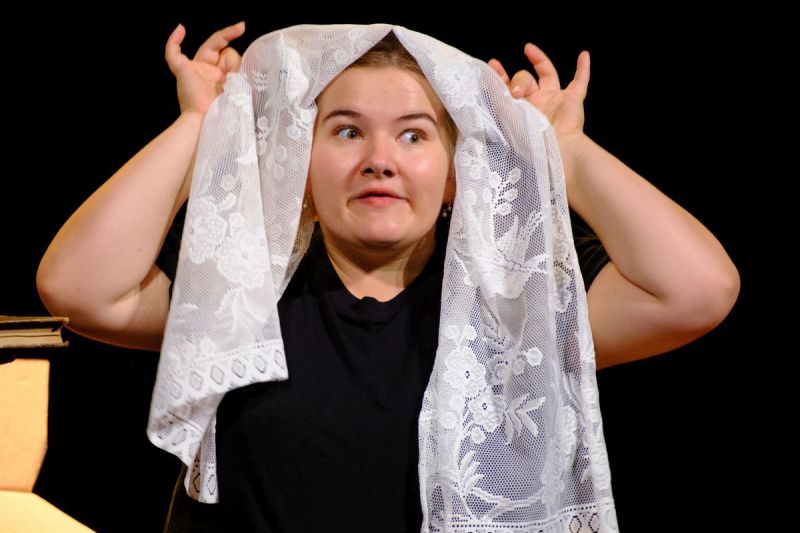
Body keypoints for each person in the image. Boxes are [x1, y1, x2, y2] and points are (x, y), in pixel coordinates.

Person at [36, 22, 739, 532]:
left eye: (413, 133)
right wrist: (202, 123)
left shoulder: (511, 306)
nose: (380, 158)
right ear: (302, 170)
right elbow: (77, 288)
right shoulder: (244, 289)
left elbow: (697, 289)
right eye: (345, 131)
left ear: (460, 169)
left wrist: (561, 151)